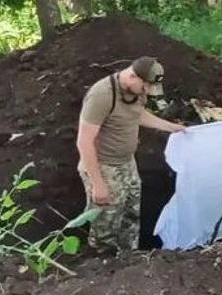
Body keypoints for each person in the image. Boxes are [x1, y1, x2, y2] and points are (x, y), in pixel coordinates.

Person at [76, 56, 186, 254]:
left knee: (130, 215)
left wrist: (170, 127)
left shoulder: (137, 92)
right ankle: (103, 261)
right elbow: (84, 142)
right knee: (106, 220)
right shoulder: (101, 96)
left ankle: (129, 258)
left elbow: (137, 114)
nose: (146, 93)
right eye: (144, 87)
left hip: (127, 163)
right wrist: (98, 184)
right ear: (133, 76)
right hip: (103, 166)